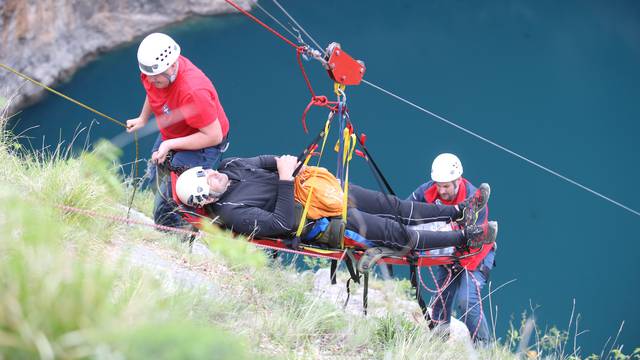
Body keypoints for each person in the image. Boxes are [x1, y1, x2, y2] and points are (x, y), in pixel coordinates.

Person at [174, 154, 498, 251]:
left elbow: (267, 161)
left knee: (392, 204)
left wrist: (288, 166)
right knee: (392, 231)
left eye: (206, 172)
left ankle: (459, 210)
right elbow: (283, 225)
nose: (212, 175)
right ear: (208, 197)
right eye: (207, 181)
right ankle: (466, 238)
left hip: (319, 192)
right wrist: (286, 178)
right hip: (318, 222)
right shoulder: (231, 213)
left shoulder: (230, 166)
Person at [126, 33, 230, 228]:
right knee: (157, 167)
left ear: (173, 66)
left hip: (205, 142)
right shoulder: (154, 72)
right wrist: (143, 118)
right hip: (175, 131)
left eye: (157, 79)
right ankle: (161, 202)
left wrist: (170, 144)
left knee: (169, 206)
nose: (152, 81)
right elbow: (154, 92)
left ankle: (179, 237)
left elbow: (214, 135)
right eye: (150, 78)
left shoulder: (193, 91)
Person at [407, 153, 496, 344]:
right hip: (447, 254)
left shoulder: (475, 199)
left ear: (458, 181)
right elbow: (407, 210)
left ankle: (483, 350)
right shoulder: (428, 190)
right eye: (438, 185)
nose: (441, 190)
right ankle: (439, 343)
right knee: (440, 300)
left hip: (476, 255)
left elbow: (475, 241)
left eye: (446, 186)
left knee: (467, 301)